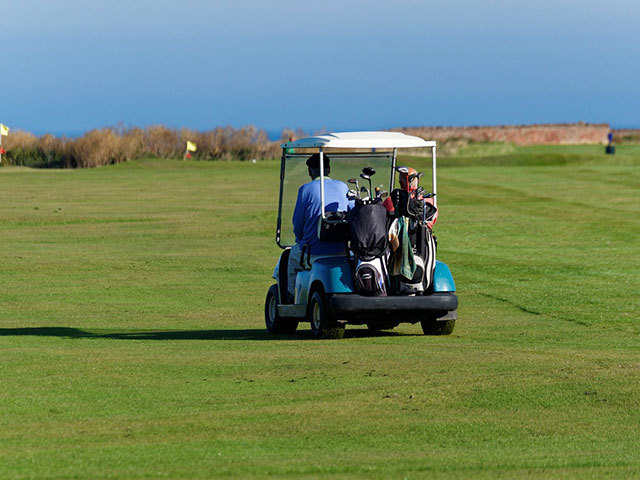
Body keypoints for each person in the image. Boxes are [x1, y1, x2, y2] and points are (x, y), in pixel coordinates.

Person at [287, 153, 352, 299]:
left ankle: (291, 298)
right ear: (328, 169)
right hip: (341, 251)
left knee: (291, 257)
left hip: (313, 252)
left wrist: (299, 239)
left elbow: (297, 225)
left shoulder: (306, 190)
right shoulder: (343, 187)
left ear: (310, 171)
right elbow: (352, 213)